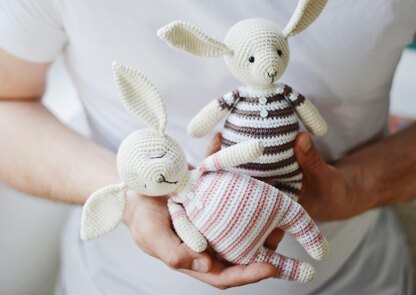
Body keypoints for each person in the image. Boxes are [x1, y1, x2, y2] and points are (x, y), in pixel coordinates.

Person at [0, 0, 415, 294]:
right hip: (114, 283)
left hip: (357, 278)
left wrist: (358, 187)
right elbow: (7, 102)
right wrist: (130, 198)